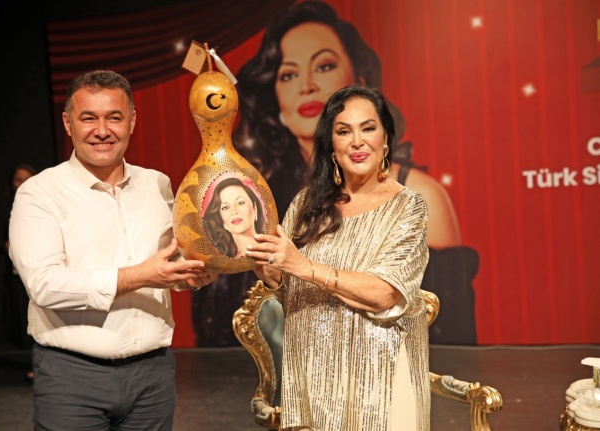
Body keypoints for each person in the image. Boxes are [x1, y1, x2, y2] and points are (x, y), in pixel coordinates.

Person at [195, 0, 477, 346]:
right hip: (311, 364)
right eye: (288, 74)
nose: (307, 85)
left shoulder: (415, 200)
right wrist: (267, 272)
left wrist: (303, 266)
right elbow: (287, 295)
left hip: (384, 366)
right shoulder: (296, 199)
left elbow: (392, 298)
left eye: (324, 66)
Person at [8, 70, 217, 430]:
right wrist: (141, 276)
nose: (102, 130)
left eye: (114, 117)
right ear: (68, 123)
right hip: (72, 377)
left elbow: (169, 265)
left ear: (132, 121)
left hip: (152, 376)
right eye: (88, 118)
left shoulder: (157, 184)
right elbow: (44, 285)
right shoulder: (39, 192)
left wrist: (197, 272)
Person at [246, 85, 430, 430]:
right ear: (331, 145)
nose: (357, 142)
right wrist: (265, 266)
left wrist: (302, 266)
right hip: (313, 374)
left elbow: (384, 293)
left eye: (368, 128)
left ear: (385, 137)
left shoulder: (408, 206)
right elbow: (288, 287)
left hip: (380, 381)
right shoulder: (306, 203)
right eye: (344, 131)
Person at [0, 163, 37, 380]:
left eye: (26, 179)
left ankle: (40, 365)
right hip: (16, 274)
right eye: (18, 180)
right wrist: (8, 245)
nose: (22, 184)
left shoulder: (42, 205)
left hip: (40, 273)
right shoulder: (6, 209)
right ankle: (32, 362)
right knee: (22, 320)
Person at [203, 176, 267, 258]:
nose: (234, 211)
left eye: (240, 203)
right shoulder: (221, 263)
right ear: (221, 219)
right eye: (225, 207)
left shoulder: (276, 249)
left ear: (255, 208)